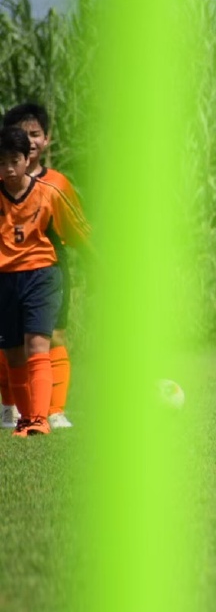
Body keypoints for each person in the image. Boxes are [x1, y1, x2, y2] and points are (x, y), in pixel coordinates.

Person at [0, 126, 91, 437]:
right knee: (13, 353)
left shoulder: (49, 193)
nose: (9, 169)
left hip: (41, 275)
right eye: (2, 163)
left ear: (27, 159)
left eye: (14, 161)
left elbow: (77, 233)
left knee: (37, 344)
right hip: (5, 280)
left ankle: (40, 418)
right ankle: (26, 419)